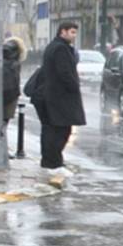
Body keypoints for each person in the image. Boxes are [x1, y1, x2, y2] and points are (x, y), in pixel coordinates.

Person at [39, 22, 86, 170]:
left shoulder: (54, 46)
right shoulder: (61, 49)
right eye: (72, 32)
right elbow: (64, 72)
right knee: (60, 130)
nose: (74, 36)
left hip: (52, 95)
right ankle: (53, 161)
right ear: (62, 32)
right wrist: (74, 86)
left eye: (75, 33)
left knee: (51, 129)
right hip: (60, 97)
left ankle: (50, 160)